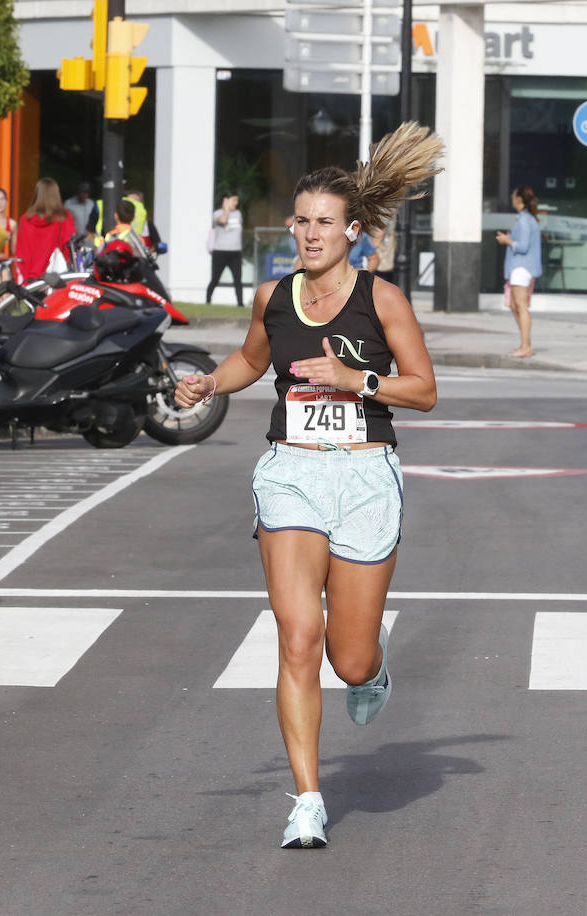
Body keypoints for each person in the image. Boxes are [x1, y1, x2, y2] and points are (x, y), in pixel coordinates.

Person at [174, 122, 443, 849]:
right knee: (298, 637)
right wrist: (209, 385)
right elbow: (249, 360)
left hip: (363, 477)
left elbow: (424, 390)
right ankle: (308, 799)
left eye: (325, 223)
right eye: (302, 221)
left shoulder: (382, 302)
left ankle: (372, 669)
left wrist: (360, 380)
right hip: (290, 472)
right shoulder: (275, 296)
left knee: (347, 657)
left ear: (353, 230)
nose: (310, 234)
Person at [495, 186, 544, 357]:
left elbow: (522, 247)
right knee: (516, 306)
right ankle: (525, 344)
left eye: (513, 196)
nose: (511, 199)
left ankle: (526, 346)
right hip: (522, 268)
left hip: (521, 267)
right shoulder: (529, 219)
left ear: (519, 200)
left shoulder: (524, 220)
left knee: (521, 306)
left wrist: (507, 241)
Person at [16, 177, 77, 282]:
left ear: (37, 194)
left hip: (31, 278)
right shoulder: (64, 217)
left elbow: (21, 252)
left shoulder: (25, 220)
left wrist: (24, 280)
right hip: (56, 276)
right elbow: (69, 247)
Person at [207, 191, 245, 306]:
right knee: (215, 279)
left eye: (237, 200)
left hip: (235, 253)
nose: (236, 203)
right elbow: (222, 220)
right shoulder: (217, 213)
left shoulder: (238, 214)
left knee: (238, 280)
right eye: (234, 200)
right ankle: (207, 301)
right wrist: (226, 209)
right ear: (226, 200)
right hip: (220, 252)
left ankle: (240, 304)